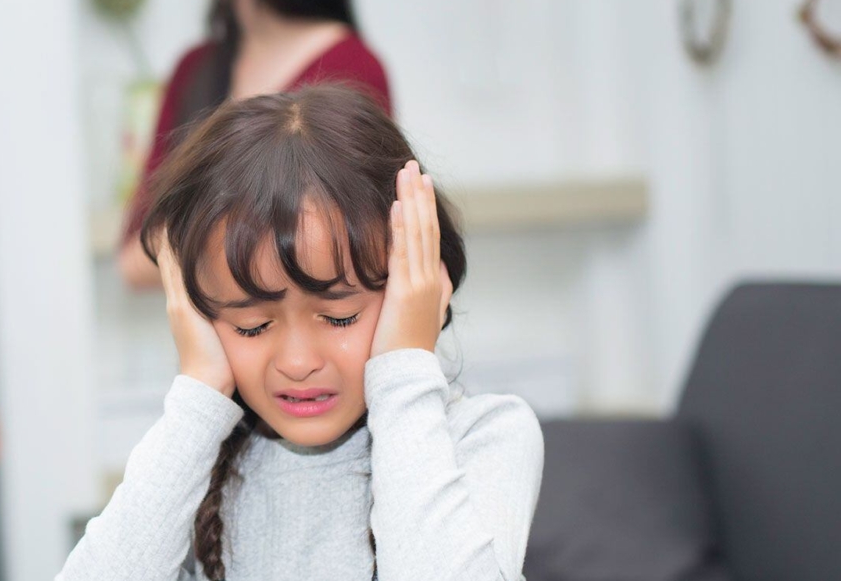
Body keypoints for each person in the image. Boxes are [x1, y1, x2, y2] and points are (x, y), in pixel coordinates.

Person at [58, 85, 543, 580]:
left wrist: (403, 370)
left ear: (412, 288)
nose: (296, 361)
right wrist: (199, 393)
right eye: (252, 325)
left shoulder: (486, 436)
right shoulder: (194, 459)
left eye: (338, 318)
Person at [119, 0, 391, 289]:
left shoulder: (349, 67)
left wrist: (187, 230)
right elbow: (134, 257)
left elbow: (347, 239)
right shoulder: (194, 70)